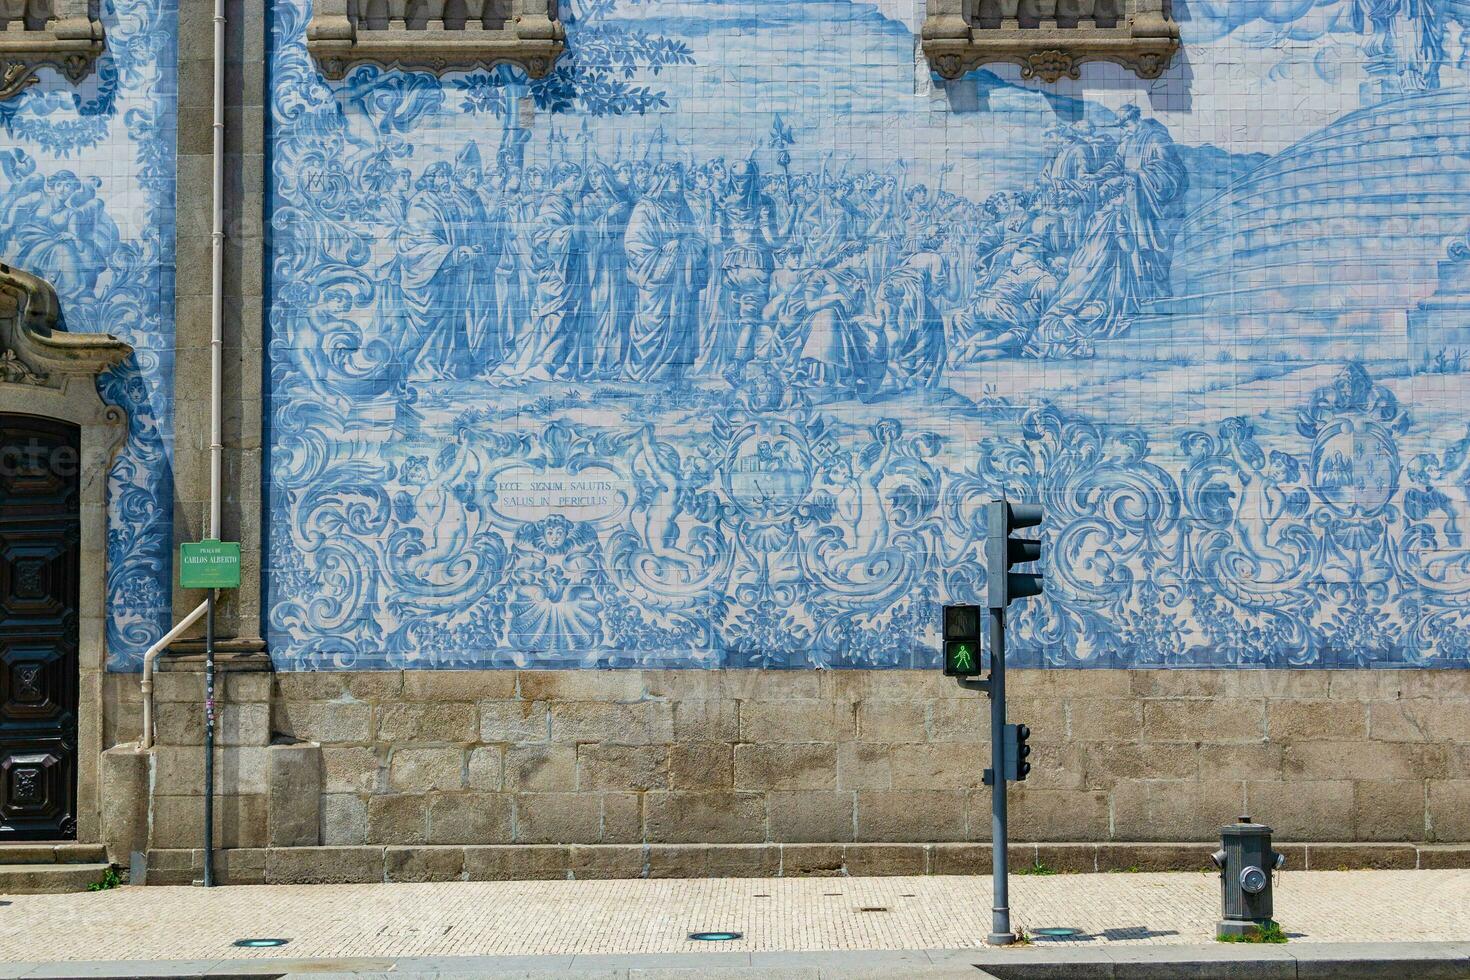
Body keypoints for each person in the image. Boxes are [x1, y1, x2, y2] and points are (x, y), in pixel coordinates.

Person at [491, 162, 589, 383]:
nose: (576, 185)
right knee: (552, 316)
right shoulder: (551, 203)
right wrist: (571, 231)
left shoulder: (564, 202)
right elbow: (542, 235)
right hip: (555, 270)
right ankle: (541, 364)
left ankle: (550, 363)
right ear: (562, 179)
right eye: (574, 180)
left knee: (561, 317)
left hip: (568, 267)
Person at [623, 164, 709, 383]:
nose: (678, 183)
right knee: (652, 323)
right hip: (657, 281)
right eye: (673, 179)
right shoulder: (645, 208)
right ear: (661, 181)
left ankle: (673, 373)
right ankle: (643, 373)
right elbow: (635, 245)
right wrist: (664, 251)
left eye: (679, 179)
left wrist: (685, 243)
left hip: (680, 280)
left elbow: (697, 238)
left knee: (681, 321)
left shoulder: (682, 207)